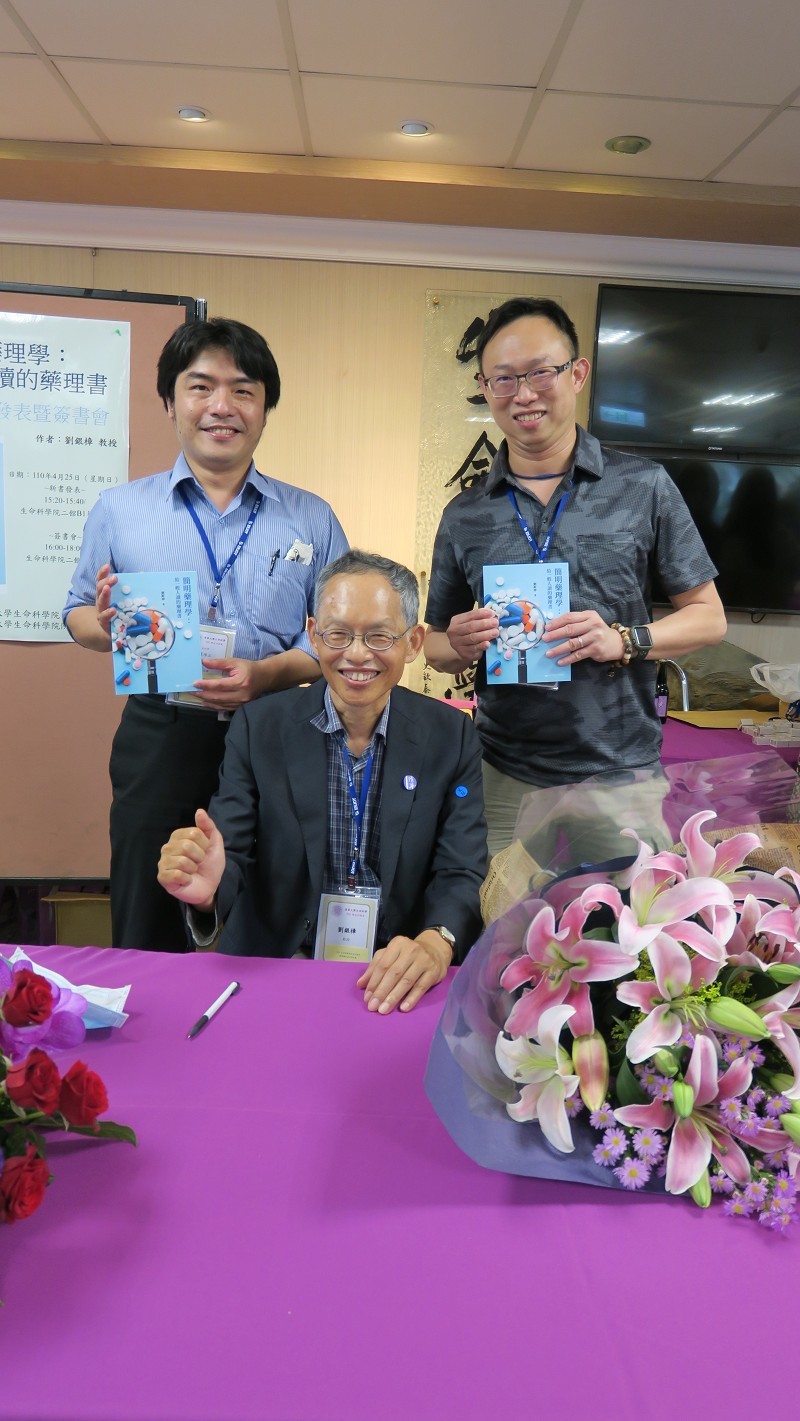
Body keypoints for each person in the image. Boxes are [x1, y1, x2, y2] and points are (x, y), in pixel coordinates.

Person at [64, 317, 348, 950]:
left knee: (275, 907)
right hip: (161, 734)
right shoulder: (120, 509)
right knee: (148, 909)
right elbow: (77, 610)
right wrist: (104, 628)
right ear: (170, 402)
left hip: (276, 732)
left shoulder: (311, 517)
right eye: (201, 387)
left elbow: (335, 637)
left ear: (266, 408)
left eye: (243, 390)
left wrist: (268, 675)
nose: (222, 406)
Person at [424, 296, 726, 856]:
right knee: (494, 910)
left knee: (625, 912)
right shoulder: (465, 514)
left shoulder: (643, 486)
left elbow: (710, 618)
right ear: (486, 388)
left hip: (620, 775)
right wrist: (458, 644)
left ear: (578, 374)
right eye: (504, 378)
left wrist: (624, 640)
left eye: (541, 372)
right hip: (502, 773)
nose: (524, 393)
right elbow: (435, 646)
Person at [157, 550, 488, 1014]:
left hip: (395, 969)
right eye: (337, 634)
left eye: (379, 636)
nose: (357, 654)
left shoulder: (450, 735)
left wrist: (436, 941)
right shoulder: (260, 727)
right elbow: (228, 850)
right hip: (280, 966)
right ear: (313, 635)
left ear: (413, 642)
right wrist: (207, 894)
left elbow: (461, 867)